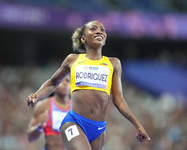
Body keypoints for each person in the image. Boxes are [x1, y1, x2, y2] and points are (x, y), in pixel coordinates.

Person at [27, 20, 150, 150]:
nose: (99, 31)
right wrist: (36, 95)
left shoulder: (114, 64)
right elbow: (53, 82)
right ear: (83, 38)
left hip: (99, 129)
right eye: (93, 28)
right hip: (74, 123)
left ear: (105, 37)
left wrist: (137, 125)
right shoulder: (73, 60)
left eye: (102, 29)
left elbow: (119, 100)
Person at [27, 76, 71, 150]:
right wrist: (39, 127)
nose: (65, 83)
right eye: (61, 80)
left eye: (67, 80)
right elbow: (30, 138)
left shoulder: (76, 108)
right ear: (54, 85)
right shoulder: (44, 106)